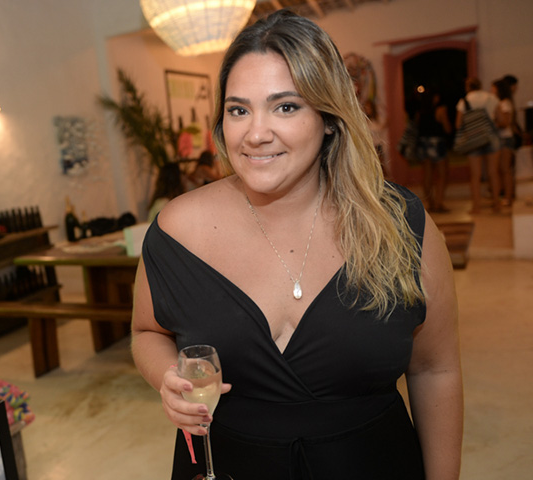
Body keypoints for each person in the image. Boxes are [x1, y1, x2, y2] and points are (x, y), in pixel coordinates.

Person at [132, 10, 462, 480]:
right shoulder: (176, 229)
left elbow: (435, 370)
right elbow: (147, 332)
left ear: (328, 118)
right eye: (238, 110)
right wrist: (166, 377)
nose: (255, 133)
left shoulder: (400, 225)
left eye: (285, 107)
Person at [456, 77, 500, 213]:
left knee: (475, 175)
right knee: (493, 173)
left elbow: (458, 124)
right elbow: (499, 119)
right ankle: (497, 205)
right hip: (490, 137)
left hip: (473, 140)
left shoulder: (464, 101)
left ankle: (477, 206)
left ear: (468, 87)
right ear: (480, 85)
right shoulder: (491, 98)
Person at [416, 90, 453, 212]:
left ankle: (430, 203)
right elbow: (447, 128)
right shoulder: (440, 110)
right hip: (437, 143)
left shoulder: (420, 112)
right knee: (442, 174)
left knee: (427, 175)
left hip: (423, 144)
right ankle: (439, 203)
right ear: (434, 98)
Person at [492, 78, 515, 206]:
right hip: (502, 138)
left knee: (505, 169)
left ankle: (508, 197)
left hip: (505, 138)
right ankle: (505, 196)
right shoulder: (503, 102)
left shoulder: (504, 103)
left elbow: (505, 122)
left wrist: (493, 124)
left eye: (493, 88)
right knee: (502, 169)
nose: (491, 91)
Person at [363, 99, 389, 177]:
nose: (367, 110)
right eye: (366, 108)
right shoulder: (364, 121)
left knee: (380, 166)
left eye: (369, 108)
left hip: (377, 146)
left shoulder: (375, 120)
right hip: (369, 146)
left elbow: (379, 128)